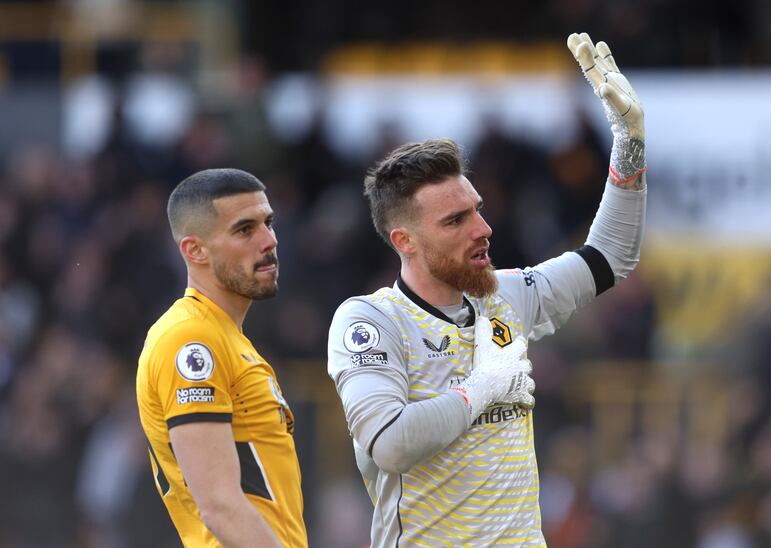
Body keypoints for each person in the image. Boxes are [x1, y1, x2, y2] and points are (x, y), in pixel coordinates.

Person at [326, 33, 647, 547]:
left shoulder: (507, 296)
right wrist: (485, 387)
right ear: (405, 241)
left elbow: (611, 257)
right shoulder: (369, 322)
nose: (483, 228)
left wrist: (628, 140)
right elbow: (388, 443)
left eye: (477, 208)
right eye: (456, 220)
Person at [136, 168, 307, 547]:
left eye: (269, 223)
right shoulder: (191, 340)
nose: (269, 241)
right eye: (245, 229)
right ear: (194, 250)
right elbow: (219, 506)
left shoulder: (227, 338)